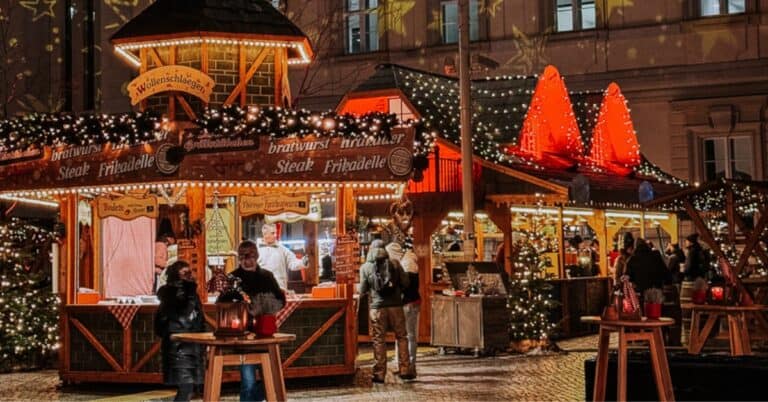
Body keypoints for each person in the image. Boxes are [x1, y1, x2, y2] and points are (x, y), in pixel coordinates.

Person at [231, 240, 286, 402]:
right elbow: (225, 304)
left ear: (256, 256)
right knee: (248, 382)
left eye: (251, 257)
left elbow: (279, 301)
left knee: (269, 379)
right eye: (244, 257)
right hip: (243, 337)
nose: (248, 261)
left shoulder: (267, 277)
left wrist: (265, 307)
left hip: (265, 334)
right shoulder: (233, 278)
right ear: (239, 258)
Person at [359, 240, 412, 383]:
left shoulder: (365, 267)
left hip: (377, 308)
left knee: (378, 339)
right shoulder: (395, 263)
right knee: (401, 336)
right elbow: (406, 283)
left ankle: (379, 373)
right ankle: (405, 369)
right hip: (396, 306)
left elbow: (362, 290)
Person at [154, 260, 205, 402]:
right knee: (187, 387)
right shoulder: (174, 294)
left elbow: (199, 319)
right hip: (179, 347)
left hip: (191, 345)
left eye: (190, 272)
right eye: (185, 273)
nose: (190, 276)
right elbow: (181, 316)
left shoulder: (190, 294)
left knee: (189, 388)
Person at [386, 240, 420, 377]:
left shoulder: (408, 264)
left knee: (409, 335)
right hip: (405, 304)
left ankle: (410, 365)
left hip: (409, 304)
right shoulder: (403, 263)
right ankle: (402, 364)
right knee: (402, 335)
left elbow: (406, 288)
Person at [257, 223, 307, 290]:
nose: (275, 235)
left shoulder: (283, 249)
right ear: (265, 234)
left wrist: (303, 262)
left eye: (275, 233)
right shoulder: (256, 250)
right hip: (261, 288)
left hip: (279, 288)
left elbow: (292, 263)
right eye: (273, 233)